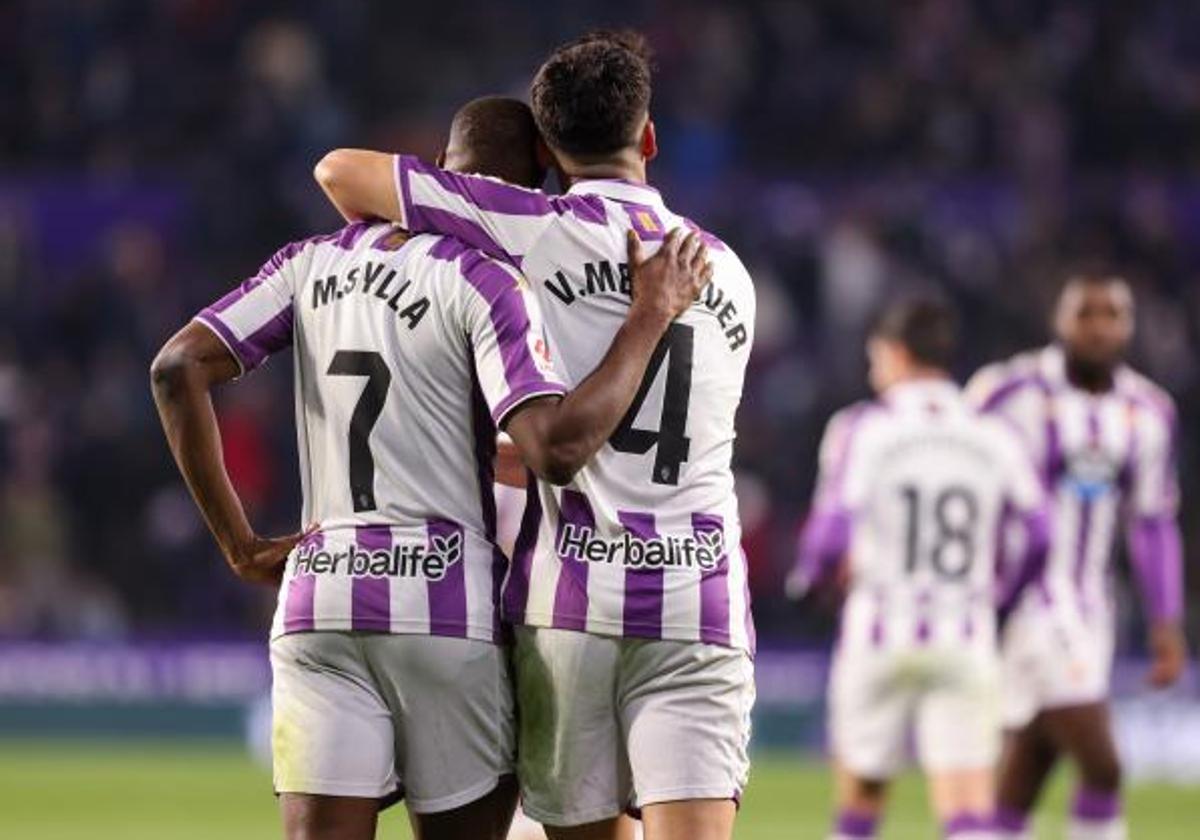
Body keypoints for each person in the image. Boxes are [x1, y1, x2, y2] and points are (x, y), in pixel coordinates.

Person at [150, 95, 710, 840]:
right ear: (528, 189)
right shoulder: (488, 280)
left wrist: (241, 546)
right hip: (446, 604)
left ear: (443, 172)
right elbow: (544, 441)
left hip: (321, 599)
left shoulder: (309, 263)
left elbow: (176, 367)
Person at [313, 30, 756, 840]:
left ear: (548, 151)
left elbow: (341, 170)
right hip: (698, 600)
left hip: (569, 607)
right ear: (650, 138)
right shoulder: (726, 271)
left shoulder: (525, 226)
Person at [789, 299, 1048, 840]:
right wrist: (999, 598)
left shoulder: (863, 427)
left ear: (896, 352)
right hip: (966, 634)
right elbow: (1040, 535)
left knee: (860, 804)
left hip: (878, 632)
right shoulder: (992, 432)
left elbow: (830, 534)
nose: (872, 370)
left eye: (875, 357)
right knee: (969, 813)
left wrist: (809, 582)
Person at [967, 274, 1188, 840]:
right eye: (1085, 313)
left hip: (1092, 609)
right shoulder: (1008, 392)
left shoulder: (1149, 411)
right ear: (1059, 321)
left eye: (1111, 314)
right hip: (1027, 604)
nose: (1098, 327)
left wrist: (1167, 620)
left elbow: (1152, 522)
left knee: (1029, 764)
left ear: (1130, 325)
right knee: (1103, 765)